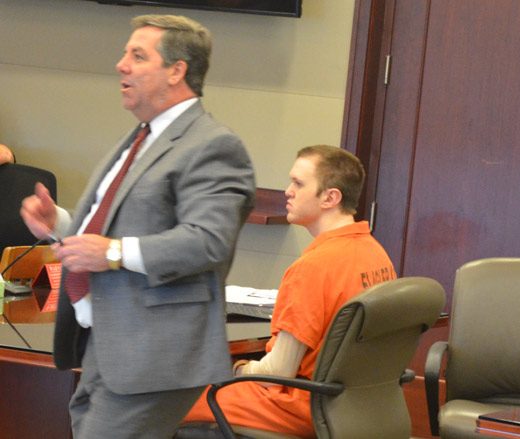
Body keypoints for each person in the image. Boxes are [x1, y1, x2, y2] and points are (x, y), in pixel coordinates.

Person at [20, 15, 255, 438]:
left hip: (154, 357)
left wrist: (110, 253)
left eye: (137, 55)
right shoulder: (142, 137)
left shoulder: (213, 145)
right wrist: (61, 224)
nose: (120, 65)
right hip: (104, 346)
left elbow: (209, 240)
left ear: (176, 70)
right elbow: (114, 226)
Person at [183, 145, 397, 437]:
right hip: (358, 404)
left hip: (305, 406)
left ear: (330, 197)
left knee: (173, 399)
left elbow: (277, 374)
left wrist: (237, 369)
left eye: (298, 183)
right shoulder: (376, 253)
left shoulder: (312, 267)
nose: (287, 191)